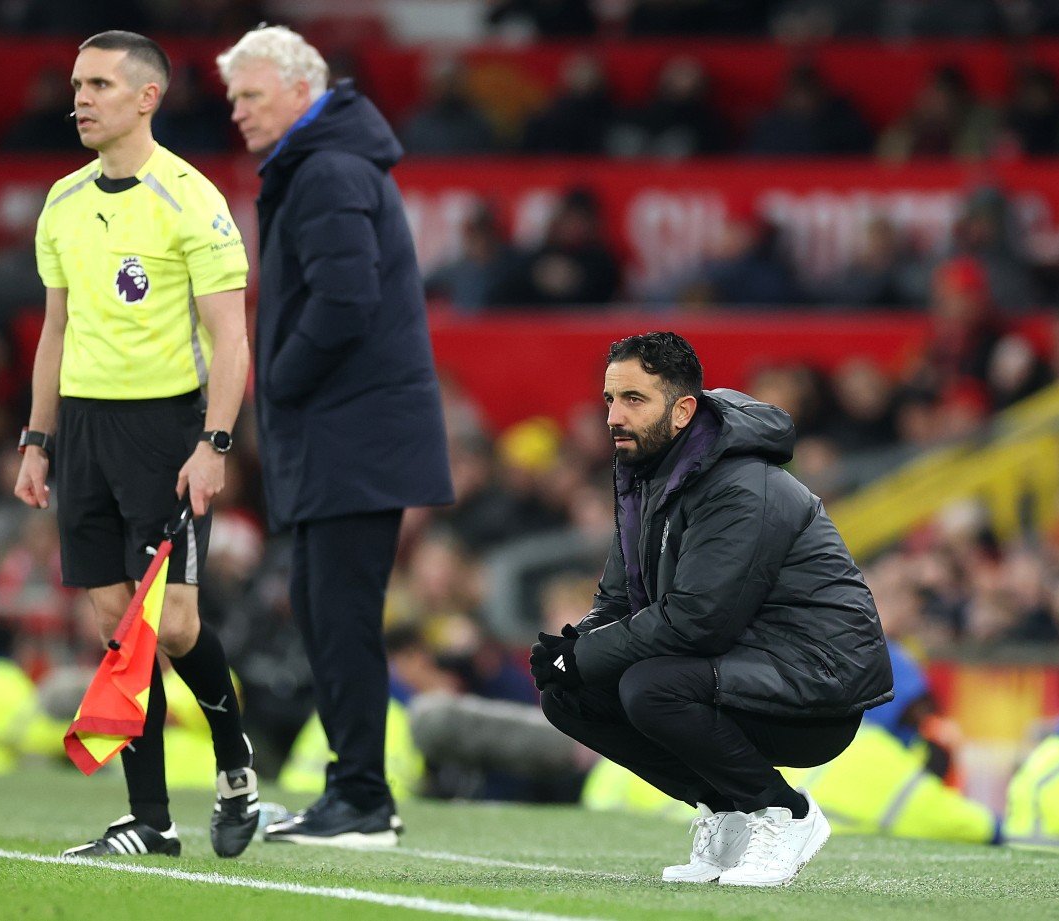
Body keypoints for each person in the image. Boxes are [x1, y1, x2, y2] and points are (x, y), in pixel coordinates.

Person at [14, 31, 257, 859]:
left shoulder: (192, 199)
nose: (79, 98)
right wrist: (37, 439)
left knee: (176, 626)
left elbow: (231, 340)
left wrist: (214, 442)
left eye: (101, 85)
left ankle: (234, 764)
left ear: (148, 97)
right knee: (120, 625)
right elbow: (55, 330)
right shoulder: (62, 200)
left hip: (165, 430)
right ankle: (150, 820)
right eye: (77, 84)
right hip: (81, 427)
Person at [530, 331, 893, 887]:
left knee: (650, 687)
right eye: (609, 399)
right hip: (746, 667)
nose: (613, 416)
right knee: (569, 697)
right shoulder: (647, 478)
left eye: (633, 399)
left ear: (683, 411)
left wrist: (584, 655)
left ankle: (784, 813)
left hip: (819, 685)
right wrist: (572, 651)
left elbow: (700, 620)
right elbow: (619, 600)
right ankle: (728, 812)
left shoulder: (741, 486)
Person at [218, 25, 454, 845]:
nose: (238, 111)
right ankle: (354, 792)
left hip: (353, 436)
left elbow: (345, 297)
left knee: (338, 614)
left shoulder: (325, 168)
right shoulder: (325, 163)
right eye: (234, 96)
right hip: (347, 436)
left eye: (250, 94)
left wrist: (277, 378)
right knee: (326, 613)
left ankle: (361, 799)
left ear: (298, 88)